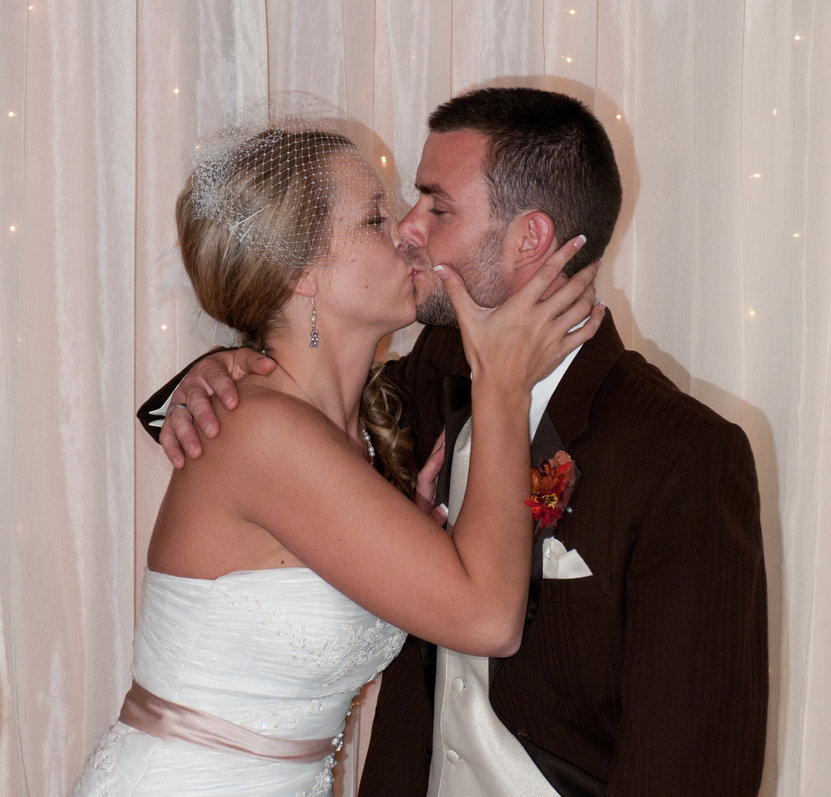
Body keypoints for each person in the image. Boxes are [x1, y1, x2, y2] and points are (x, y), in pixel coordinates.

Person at [149, 88, 769, 796]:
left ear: (528, 239)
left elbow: (693, 768)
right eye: (390, 212)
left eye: (435, 207)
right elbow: (284, 415)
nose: (409, 231)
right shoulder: (426, 380)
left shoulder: (682, 457)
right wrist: (218, 370)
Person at [74, 122, 601, 796]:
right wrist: (502, 382)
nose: (409, 232)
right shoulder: (262, 429)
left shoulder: (364, 427)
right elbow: (487, 619)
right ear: (300, 273)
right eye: (376, 218)